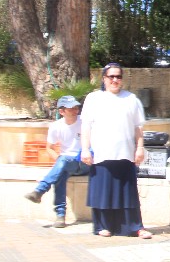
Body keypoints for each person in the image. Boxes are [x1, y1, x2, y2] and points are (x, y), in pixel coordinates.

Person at [79, 63, 153, 239]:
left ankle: (135, 227)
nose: (114, 80)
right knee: (102, 192)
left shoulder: (131, 99)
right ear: (104, 78)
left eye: (118, 77)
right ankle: (102, 226)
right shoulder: (93, 98)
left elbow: (138, 127)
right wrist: (85, 149)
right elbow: (86, 126)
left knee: (128, 194)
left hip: (125, 154)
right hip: (102, 154)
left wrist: (140, 148)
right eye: (111, 76)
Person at [23, 95, 91, 228]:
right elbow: (49, 148)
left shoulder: (85, 123)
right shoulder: (56, 126)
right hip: (66, 163)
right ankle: (60, 216)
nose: (75, 110)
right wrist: (59, 160)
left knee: (62, 164)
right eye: (70, 108)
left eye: (76, 107)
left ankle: (41, 190)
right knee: (60, 173)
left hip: (84, 162)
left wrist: (63, 161)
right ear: (62, 112)